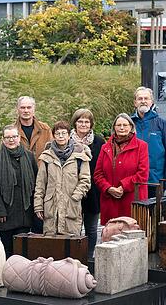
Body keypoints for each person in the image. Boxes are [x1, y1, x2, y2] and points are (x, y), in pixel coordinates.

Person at [34, 121, 91, 236]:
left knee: (72, 247)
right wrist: (38, 205)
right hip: (51, 208)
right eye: (57, 133)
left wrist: (75, 197)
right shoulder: (46, 157)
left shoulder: (80, 156)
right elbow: (40, 184)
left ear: (69, 135)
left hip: (71, 207)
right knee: (51, 247)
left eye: (64, 133)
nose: (61, 136)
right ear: (53, 136)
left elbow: (85, 180)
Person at [0, 125, 38, 257]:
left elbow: (36, 182)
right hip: (5, 213)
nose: (11, 140)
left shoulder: (29, 156)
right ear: (3, 139)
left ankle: (22, 277)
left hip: (24, 211)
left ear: (19, 138)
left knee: (22, 250)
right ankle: (8, 277)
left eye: (14, 137)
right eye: (8, 137)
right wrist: (0, 210)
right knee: (8, 250)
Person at [94, 114, 149, 225]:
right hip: (110, 201)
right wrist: (108, 188)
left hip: (132, 201)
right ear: (114, 127)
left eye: (125, 125)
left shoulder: (141, 146)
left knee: (132, 237)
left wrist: (123, 187)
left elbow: (142, 174)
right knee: (110, 237)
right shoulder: (105, 147)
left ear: (131, 127)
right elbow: (98, 174)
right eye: (118, 125)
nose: (122, 127)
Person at [70, 108, 105, 260]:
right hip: (72, 190)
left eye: (87, 121)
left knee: (91, 228)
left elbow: (103, 165)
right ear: (75, 123)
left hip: (93, 190)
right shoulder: (67, 140)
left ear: (91, 124)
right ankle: (75, 256)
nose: (83, 124)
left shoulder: (99, 141)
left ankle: (89, 257)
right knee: (73, 227)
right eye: (80, 121)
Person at [131, 87, 166, 197]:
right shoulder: (128, 124)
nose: (143, 101)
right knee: (134, 213)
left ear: (151, 102)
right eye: (140, 98)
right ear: (135, 102)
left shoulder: (161, 124)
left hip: (155, 181)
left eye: (146, 98)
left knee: (154, 213)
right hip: (133, 181)